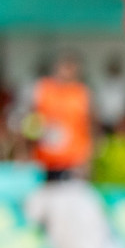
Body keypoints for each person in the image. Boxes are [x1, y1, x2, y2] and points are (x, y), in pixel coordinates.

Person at [29, 51, 93, 181]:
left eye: (72, 69)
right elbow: (31, 122)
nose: (67, 72)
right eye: (65, 67)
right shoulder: (43, 89)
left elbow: (90, 127)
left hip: (74, 161)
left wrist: (89, 159)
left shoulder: (81, 93)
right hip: (46, 161)